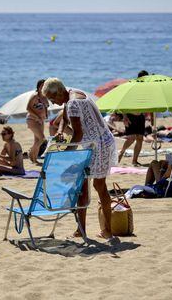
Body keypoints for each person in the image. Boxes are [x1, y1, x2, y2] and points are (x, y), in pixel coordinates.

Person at [42, 78, 117, 240]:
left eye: (52, 98)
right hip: (98, 141)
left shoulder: (73, 103)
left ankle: (107, 230)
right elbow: (64, 117)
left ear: (60, 92)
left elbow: (78, 133)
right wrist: (61, 130)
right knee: (82, 185)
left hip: (99, 144)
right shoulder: (74, 94)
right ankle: (81, 229)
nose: (53, 103)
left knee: (98, 185)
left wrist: (67, 153)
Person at [118, 70, 149, 166]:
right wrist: (124, 116)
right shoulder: (132, 87)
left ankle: (134, 160)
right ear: (139, 78)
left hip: (140, 116)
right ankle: (122, 152)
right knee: (131, 138)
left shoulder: (147, 89)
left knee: (140, 138)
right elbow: (122, 102)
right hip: (130, 115)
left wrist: (151, 118)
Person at [26, 79, 49, 163]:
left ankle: (34, 159)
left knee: (37, 140)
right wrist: (37, 117)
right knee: (42, 139)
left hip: (41, 121)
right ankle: (30, 154)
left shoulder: (45, 96)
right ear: (39, 87)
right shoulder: (35, 96)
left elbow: (45, 107)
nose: (44, 87)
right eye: (42, 85)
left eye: (45, 85)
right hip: (32, 119)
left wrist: (45, 116)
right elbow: (28, 108)